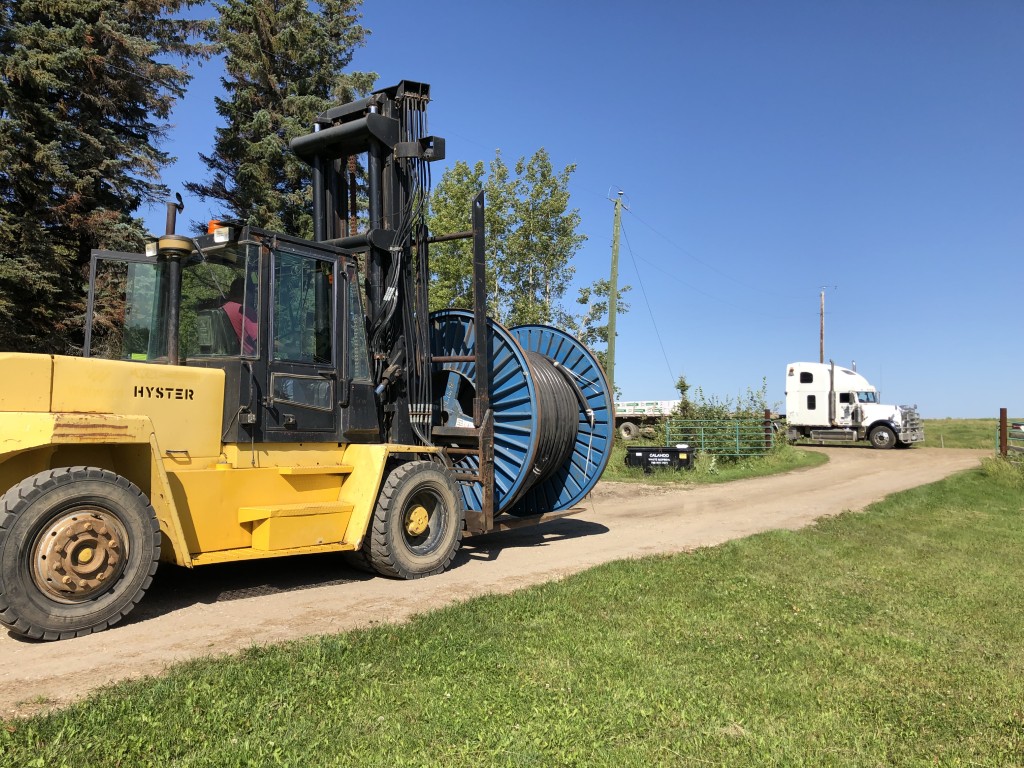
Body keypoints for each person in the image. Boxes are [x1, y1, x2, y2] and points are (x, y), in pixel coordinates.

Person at [222, 276, 258, 355]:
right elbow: (262, 341)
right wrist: (287, 348)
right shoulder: (245, 311)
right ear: (246, 293)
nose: (253, 297)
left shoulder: (223, 309)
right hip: (251, 362)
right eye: (252, 293)